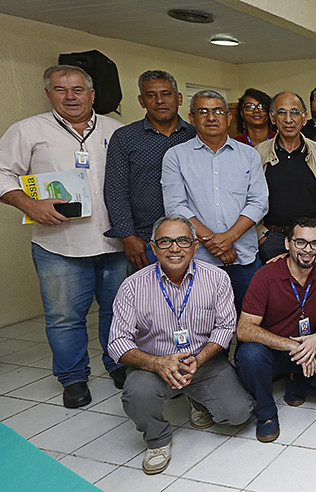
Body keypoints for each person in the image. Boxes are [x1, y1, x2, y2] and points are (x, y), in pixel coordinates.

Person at [0, 65, 128, 406]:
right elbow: (2, 173)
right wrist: (30, 205)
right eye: (61, 89)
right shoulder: (28, 130)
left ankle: (119, 364)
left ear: (92, 94)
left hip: (114, 243)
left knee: (117, 312)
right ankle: (73, 379)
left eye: (77, 89)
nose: (70, 96)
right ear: (48, 93)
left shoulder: (116, 130)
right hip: (59, 246)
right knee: (64, 317)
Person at [107, 214, 254, 475]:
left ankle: (195, 398)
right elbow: (117, 342)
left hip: (204, 361)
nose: (174, 248)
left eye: (183, 241)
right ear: (153, 248)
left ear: (195, 246)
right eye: (165, 242)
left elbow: (225, 327)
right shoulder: (132, 286)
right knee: (137, 393)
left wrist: (199, 359)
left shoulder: (217, 279)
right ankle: (158, 439)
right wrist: (156, 363)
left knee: (238, 414)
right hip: (154, 365)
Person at [235, 216, 316, 442]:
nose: (308, 250)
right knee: (249, 356)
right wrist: (291, 344)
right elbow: (245, 329)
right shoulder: (265, 276)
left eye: (315, 243)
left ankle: (295, 385)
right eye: (301, 242)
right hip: (270, 349)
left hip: (308, 345)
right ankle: (266, 414)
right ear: (288, 244)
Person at [161, 89, 269, 314]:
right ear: (192, 118)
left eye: (218, 111)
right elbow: (176, 206)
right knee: (203, 325)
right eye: (203, 111)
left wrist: (229, 238)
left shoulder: (249, 154)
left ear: (229, 118)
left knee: (249, 322)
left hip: (244, 258)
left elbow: (259, 201)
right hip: (198, 259)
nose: (211, 117)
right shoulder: (176, 156)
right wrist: (215, 243)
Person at [105, 70, 196, 271]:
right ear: (141, 100)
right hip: (145, 240)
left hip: (193, 238)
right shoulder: (125, 137)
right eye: (151, 95)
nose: (159, 100)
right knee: (149, 300)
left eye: (166, 94)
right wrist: (128, 237)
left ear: (179, 98)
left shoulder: (195, 135)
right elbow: (116, 190)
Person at [254, 91, 316, 262]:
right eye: (282, 112)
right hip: (272, 239)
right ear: (273, 118)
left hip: (313, 239)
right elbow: (248, 199)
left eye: (295, 112)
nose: (289, 119)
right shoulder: (257, 154)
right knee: (276, 288)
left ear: (304, 118)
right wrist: (261, 237)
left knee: (313, 288)